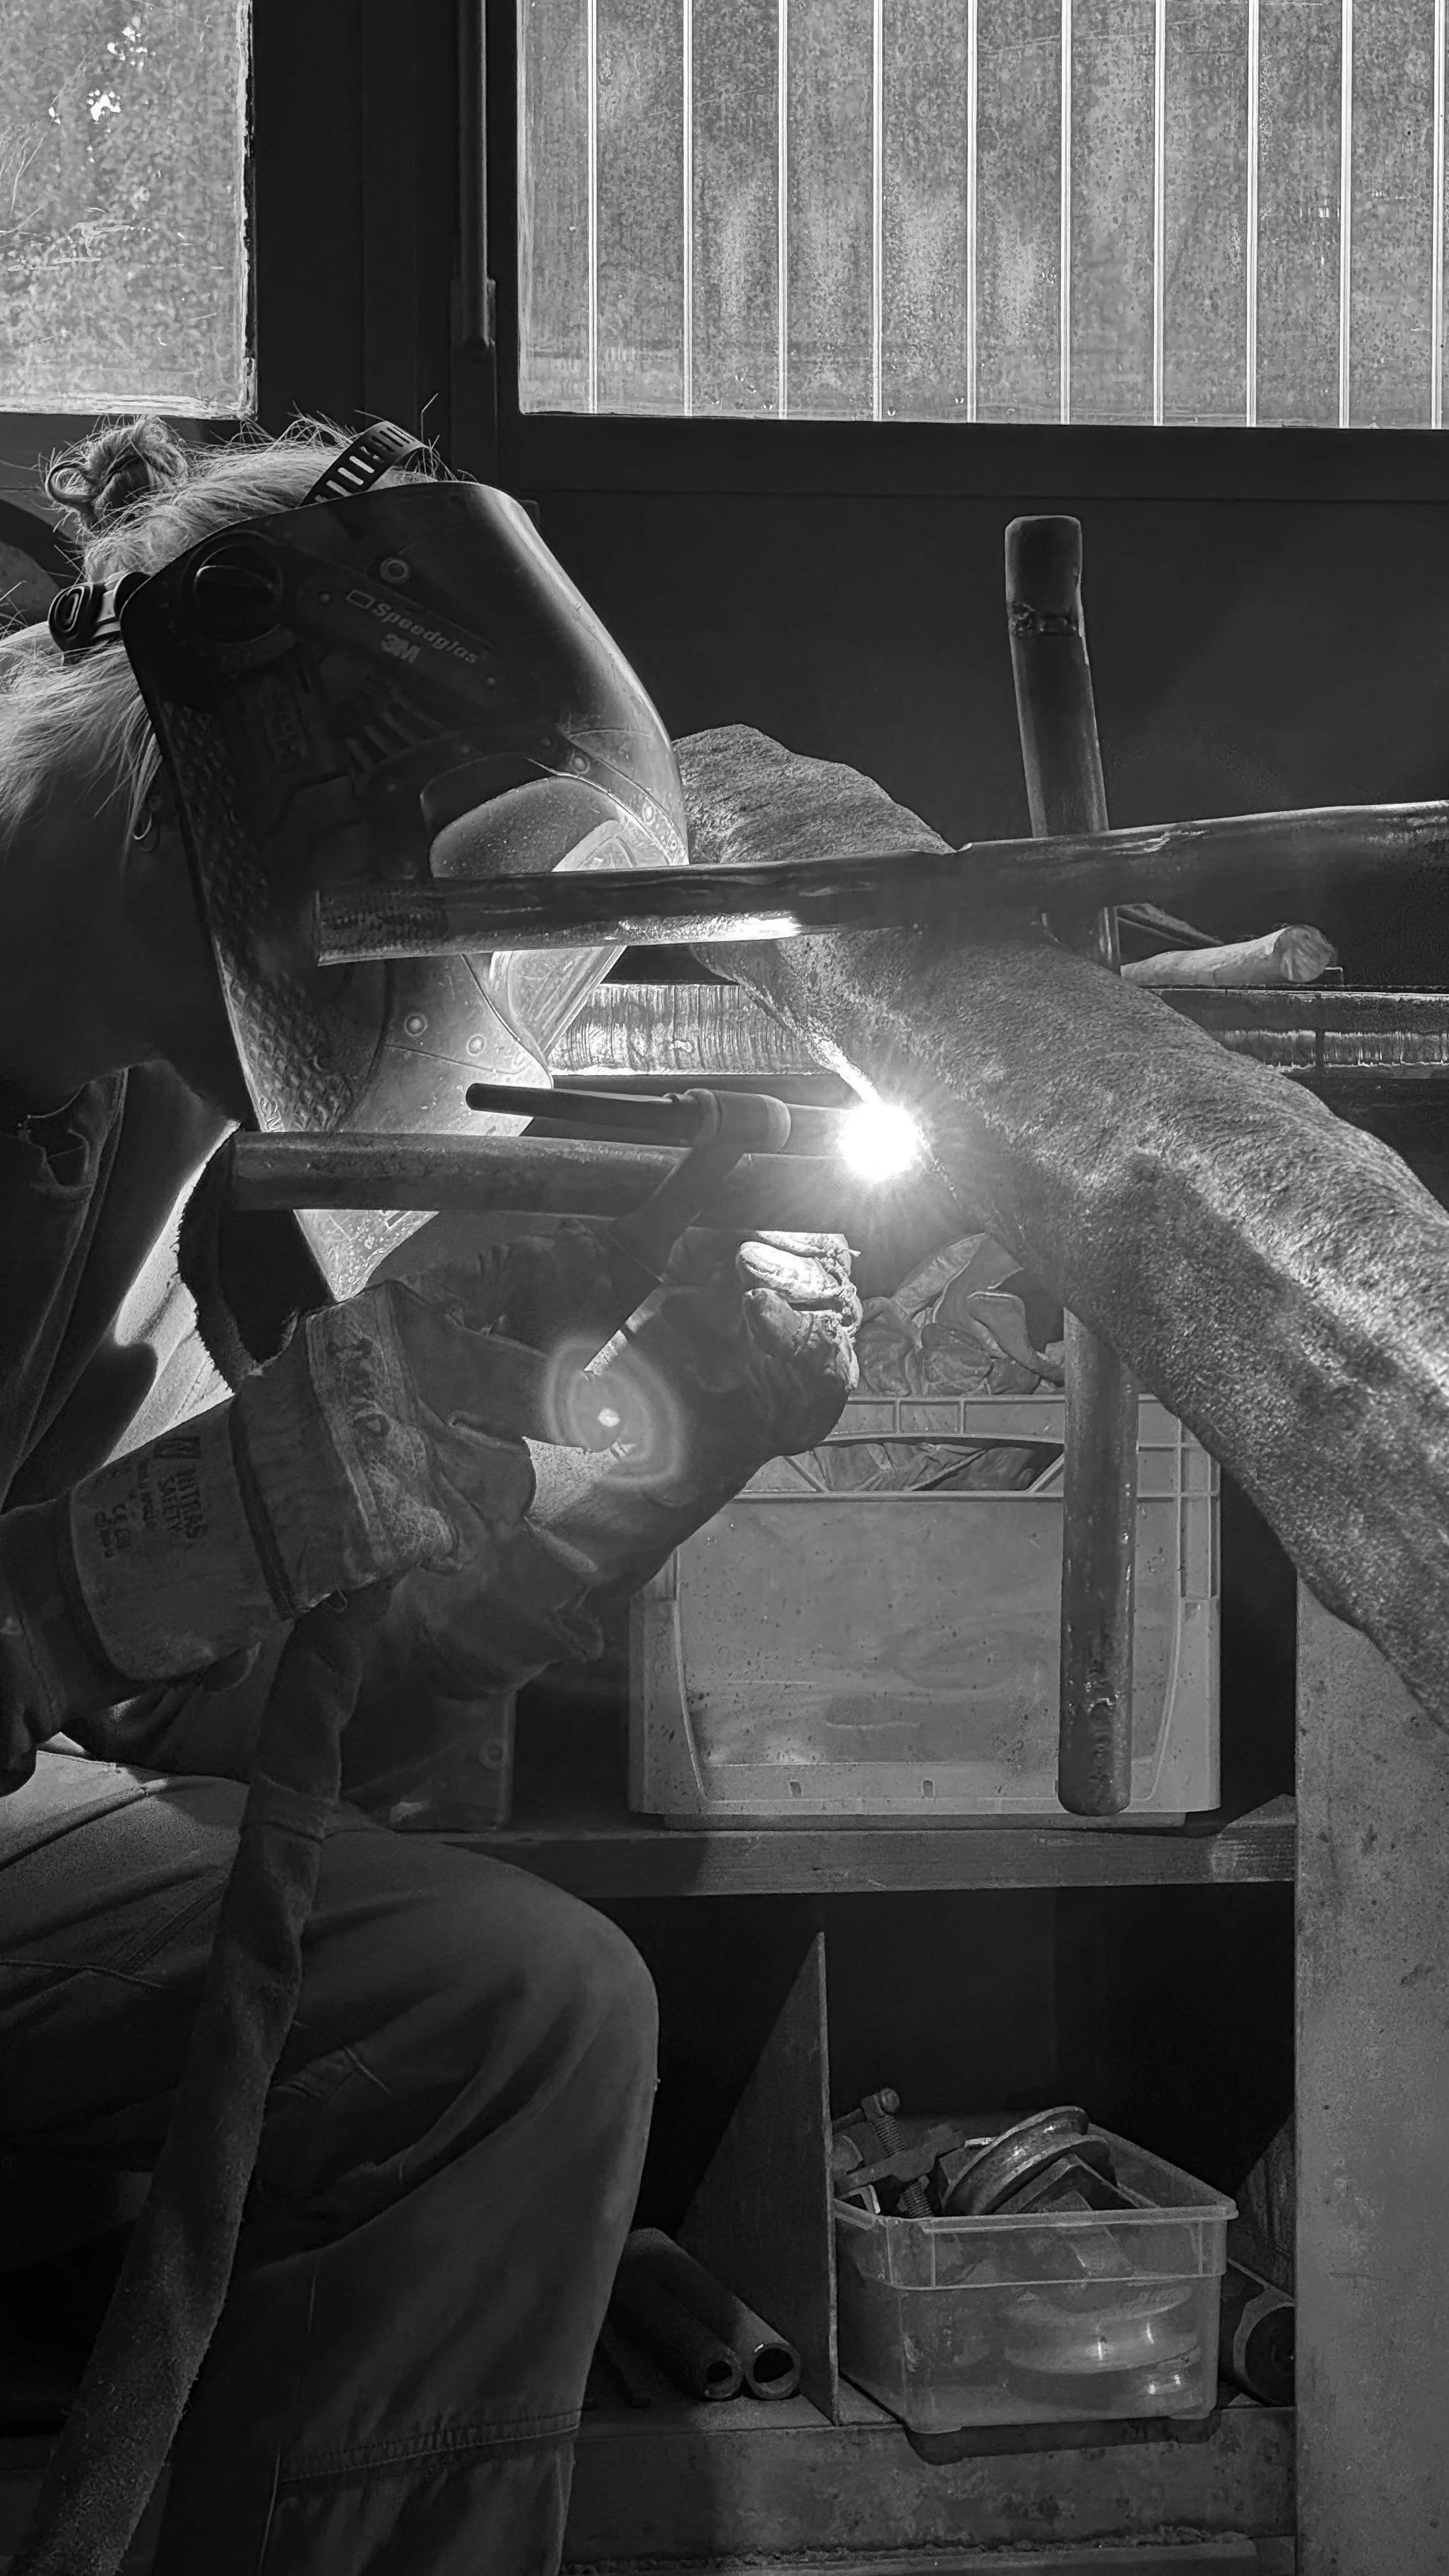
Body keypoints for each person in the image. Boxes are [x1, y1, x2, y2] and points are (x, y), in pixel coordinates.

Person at [0, 416, 861, 2574]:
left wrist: (634, 1455)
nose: (441, 1009)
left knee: (507, 2009)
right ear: (240, 776)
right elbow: (104, 1623)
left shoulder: (138, 1107)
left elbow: (238, 1738)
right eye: (433, 926)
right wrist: (137, 1569)